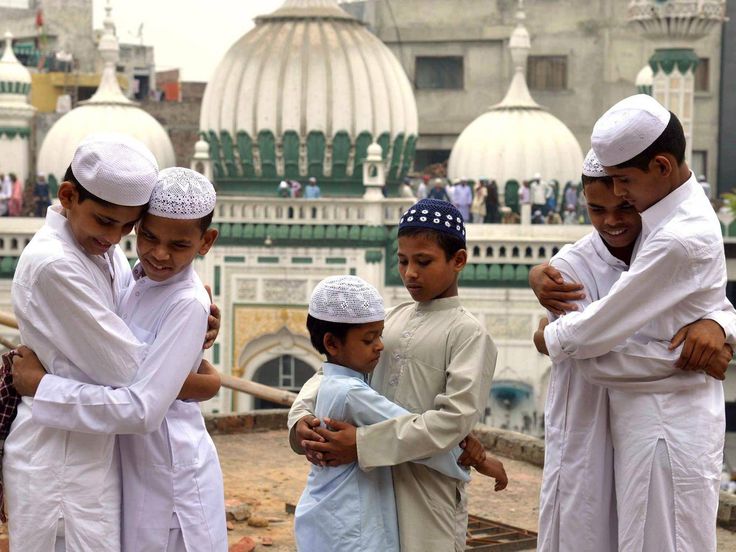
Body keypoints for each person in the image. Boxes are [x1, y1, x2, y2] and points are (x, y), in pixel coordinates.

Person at [2, 134, 218, 552]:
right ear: (69, 196)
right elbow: (134, 373)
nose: (116, 237)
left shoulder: (103, 250)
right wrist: (196, 381)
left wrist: (190, 336)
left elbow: (136, 329)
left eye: (127, 226)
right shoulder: (56, 264)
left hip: (96, 461)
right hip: (58, 465)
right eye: (106, 221)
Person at [538, 95, 732, 551]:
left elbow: (591, 336)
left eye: (624, 184)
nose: (619, 201)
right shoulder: (655, 223)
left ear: (662, 167)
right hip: (606, 429)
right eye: (598, 207)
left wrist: (550, 338)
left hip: (663, 428)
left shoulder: (672, 237)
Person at [289, 198, 497, 552]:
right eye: (402, 261)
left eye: (423, 261)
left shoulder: (469, 334)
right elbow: (336, 371)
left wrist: (361, 443)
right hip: (373, 488)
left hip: (426, 490)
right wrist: (300, 418)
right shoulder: (390, 319)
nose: (410, 273)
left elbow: (452, 423)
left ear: (458, 260)